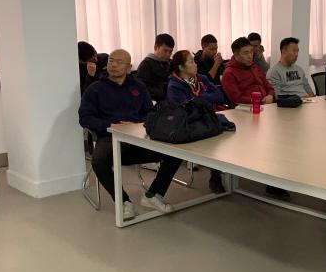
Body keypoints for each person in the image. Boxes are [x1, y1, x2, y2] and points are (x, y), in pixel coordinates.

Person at [78, 49, 184, 220]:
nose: (113, 64)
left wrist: (135, 124)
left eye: (119, 62)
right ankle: (123, 202)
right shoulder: (95, 89)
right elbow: (84, 118)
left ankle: (153, 195)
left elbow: (149, 113)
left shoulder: (138, 87)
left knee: (176, 151)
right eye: (111, 60)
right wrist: (110, 125)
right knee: (98, 161)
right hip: (110, 137)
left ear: (128, 67)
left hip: (138, 137)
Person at [167, 50, 227, 194]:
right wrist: (204, 98)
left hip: (207, 118)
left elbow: (219, 96)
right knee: (215, 134)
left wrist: (199, 98)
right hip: (189, 123)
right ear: (181, 67)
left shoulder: (201, 79)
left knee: (225, 131)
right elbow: (186, 109)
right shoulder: (174, 86)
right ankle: (216, 175)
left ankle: (217, 172)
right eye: (191, 62)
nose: (196, 64)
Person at [221, 36, 275, 105]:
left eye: (251, 52)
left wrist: (270, 95)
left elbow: (269, 87)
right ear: (236, 55)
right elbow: (236, 99)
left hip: (265, 105)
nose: (250, 56)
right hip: (245, 108)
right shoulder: (229, 73)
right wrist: (259, 102)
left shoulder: (255, 67)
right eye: (246, 53)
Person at [136, 33, 175, 102]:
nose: (168, 54)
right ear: (156, 48)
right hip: (157, 101)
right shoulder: (146, 65)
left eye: (170, 51)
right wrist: (165, 91)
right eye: (165, 51)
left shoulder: (171, 63)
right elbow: (142, 88)